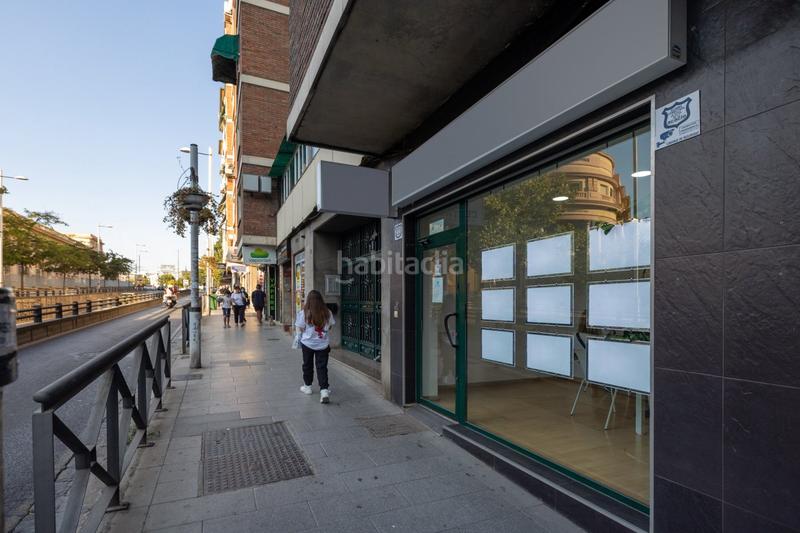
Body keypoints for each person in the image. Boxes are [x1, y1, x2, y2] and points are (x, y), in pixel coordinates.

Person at [295, 290, 335, 404]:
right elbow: (330, 326)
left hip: (307, 344)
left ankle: (307, 387)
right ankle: (324, 391)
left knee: (307, 365)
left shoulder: (304, 313)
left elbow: (300, 327)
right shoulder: (327, 312)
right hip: (323, 344)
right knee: (322, 367)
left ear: (308, 300)